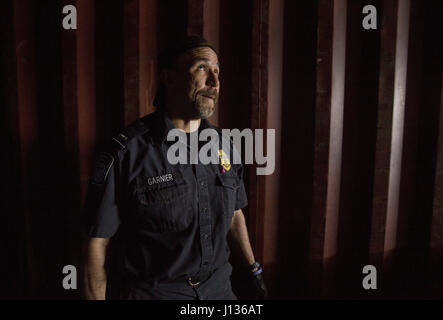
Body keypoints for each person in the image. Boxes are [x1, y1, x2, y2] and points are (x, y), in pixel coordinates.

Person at [82, 36, 267, 300]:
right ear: (168, 77)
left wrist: (253, 271)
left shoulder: (226, 146)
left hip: (219, 290)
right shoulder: (127, 152)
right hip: (155, 292)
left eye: (217, 72)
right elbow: (96, 244)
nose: (214, 82)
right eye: (202, 68)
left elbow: (235, 214)